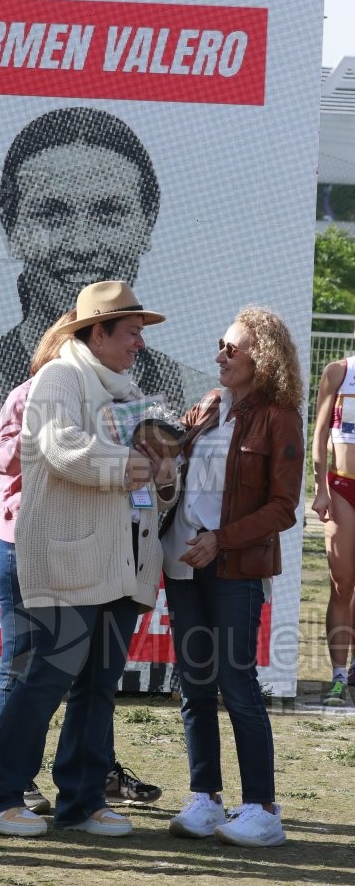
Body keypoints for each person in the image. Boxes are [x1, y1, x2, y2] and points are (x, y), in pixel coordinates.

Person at [0, 105, 214, 685]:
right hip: (7, 664)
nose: (82, 242)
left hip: (124, 637)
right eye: (51, 214)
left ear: (147, 221)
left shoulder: (186, 394)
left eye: (109, 213)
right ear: (11, 228)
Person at [0, 280, 176, 838]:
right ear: (98, 331)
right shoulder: (60, 376)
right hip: (69, 558)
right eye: (132, 332)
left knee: (99, 683)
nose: (140, 343)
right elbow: (60, 447)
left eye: (140, 333)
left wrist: (162, 471)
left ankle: (82, 801)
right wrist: (134, 464)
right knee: (48, 677)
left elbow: (148, 481)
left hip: (121, 561)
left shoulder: (126, 387)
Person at [161, 307, 304, 848]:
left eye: (232, 348)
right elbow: (176, 479)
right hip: (181, 563)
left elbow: (284, 508)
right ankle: (205, 797)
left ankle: (263, 809)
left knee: (236, 683)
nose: (220, 354)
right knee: (194, 685)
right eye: (220, 344)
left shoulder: (281, 416)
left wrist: (222, 539)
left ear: (260, 357)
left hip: (235, 567)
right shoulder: (206, 406)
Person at [311, 356, 355, 705]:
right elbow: (321, 430)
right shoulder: (339, 371)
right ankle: (338, 677)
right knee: (341, 584)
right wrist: (320, 487)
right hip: (342, 487)